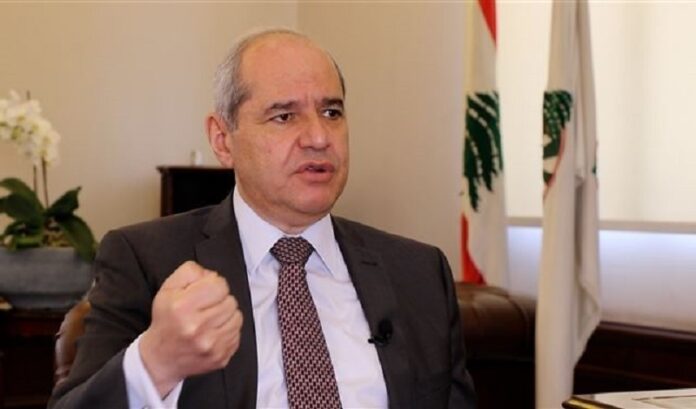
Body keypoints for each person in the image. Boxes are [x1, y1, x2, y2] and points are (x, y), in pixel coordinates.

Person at [49, 28, 476, 409]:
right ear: (222, 140)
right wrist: (156, 362)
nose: (318, 137)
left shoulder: (418, 272)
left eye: (331, 112)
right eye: (284, 116)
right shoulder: (146, 260)